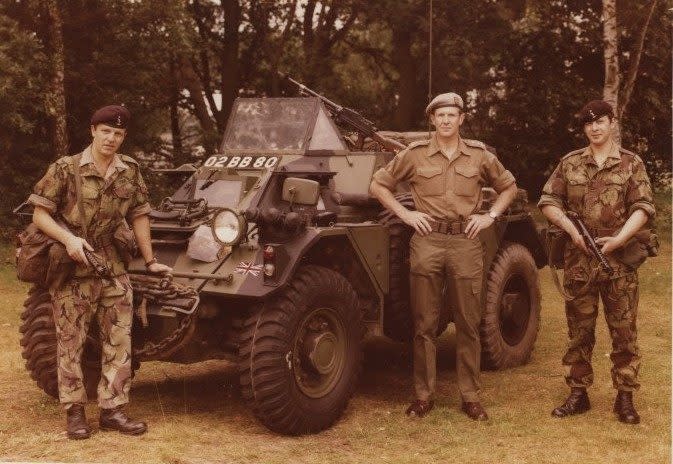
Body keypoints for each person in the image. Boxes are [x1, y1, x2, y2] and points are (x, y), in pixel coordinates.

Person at [369, 93, 517, 420]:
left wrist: (490, 216)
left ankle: (470, 396)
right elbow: (379, 185)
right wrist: (405, 217)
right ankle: (423, 395)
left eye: (452, 115)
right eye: (441, 115)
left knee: (468, 321)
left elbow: (509, 187)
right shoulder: (415, 155)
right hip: (427, 241)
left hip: (466, 240)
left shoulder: (479, 156)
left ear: (462, 119)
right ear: (432, 120)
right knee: (424, 323)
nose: (446, 120)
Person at [28, 105, 172, 439]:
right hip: (74, 266)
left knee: (119, 340)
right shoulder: (66, 168)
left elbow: (139, 214)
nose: (111, 138)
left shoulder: (130, 170)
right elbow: (40, 214)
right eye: (105, 131)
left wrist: (150, 261)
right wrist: (69, 239)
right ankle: (75, 412)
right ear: (93, 131)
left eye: (118, 133)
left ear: (123, 137)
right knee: (70, 342)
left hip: (113, 267)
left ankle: (113, 410)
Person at [538, 100, 655, 424]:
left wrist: (619, 239)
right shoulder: (570, 163)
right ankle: (578, 393)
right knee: (579, 331)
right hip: (579, 261)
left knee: (624, 332)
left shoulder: (631, 164)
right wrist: (571, 229)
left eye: (600, 121)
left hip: (619, 262)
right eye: (588, 123)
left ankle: (625, 398)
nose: (594, 127)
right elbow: (548, 201)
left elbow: (643, 208)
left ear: (612, 122)